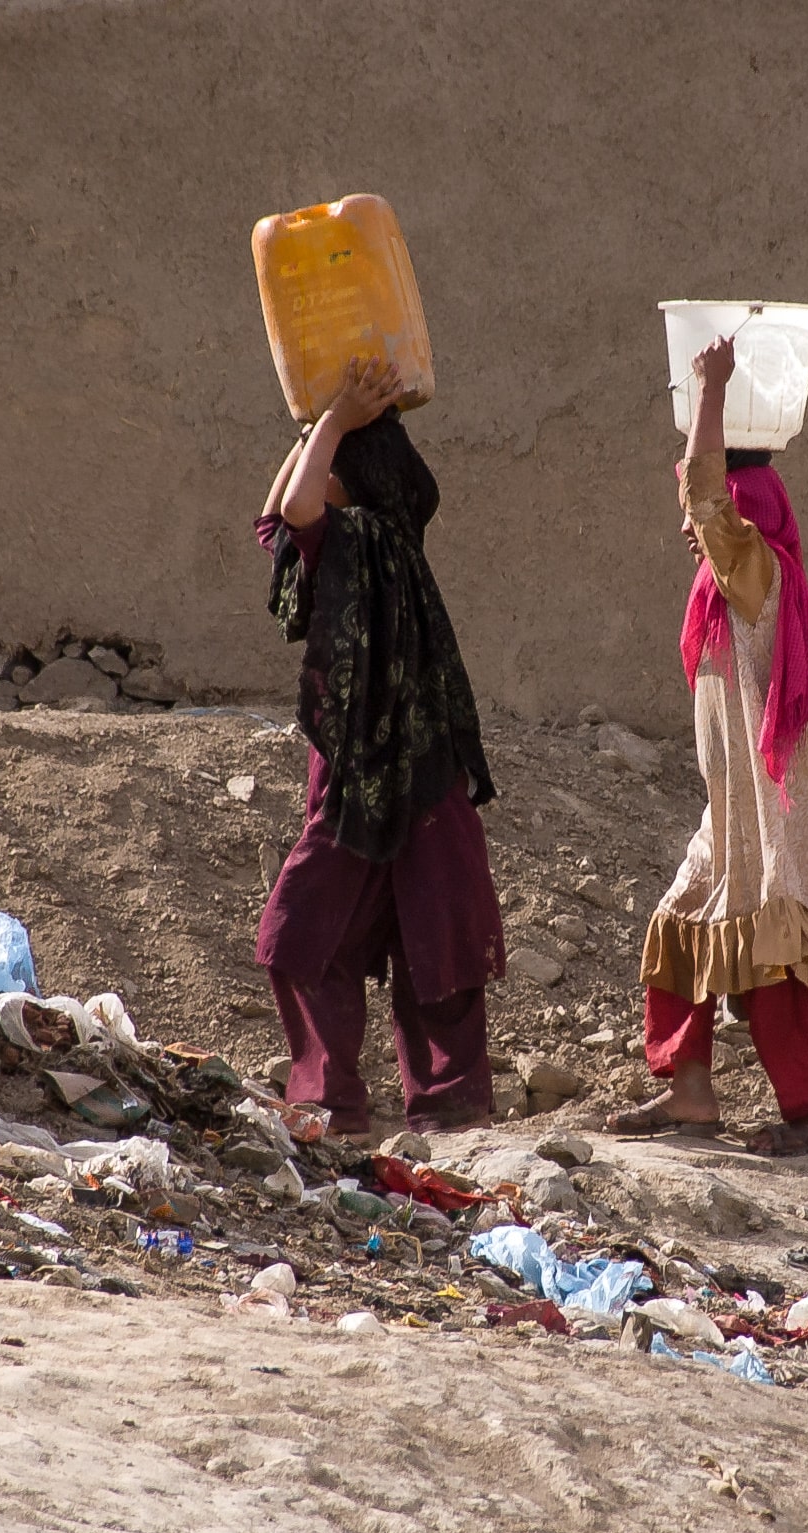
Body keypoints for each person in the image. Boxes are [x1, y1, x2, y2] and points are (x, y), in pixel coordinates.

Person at [605, 337, 808, 1157]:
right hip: (737, 795)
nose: (689, 520)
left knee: (773, 942)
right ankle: (689, 1091)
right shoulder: (725, 588)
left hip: (777, 793)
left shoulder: (754, 570)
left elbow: (709, 498)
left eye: (700, 507)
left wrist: (710, 388)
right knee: (684, 915)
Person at [248, 356, 504, 1136]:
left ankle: (373, 1100)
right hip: (408, 773)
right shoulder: (379, 539)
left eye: (330, 460)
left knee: (422, 933)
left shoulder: (354, 546)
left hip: (380, 774)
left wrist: (331, 423)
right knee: (329, 925)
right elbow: (274, 517)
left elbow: (288, 509)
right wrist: (322, 420)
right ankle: (396, 1100)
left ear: (348, 481)